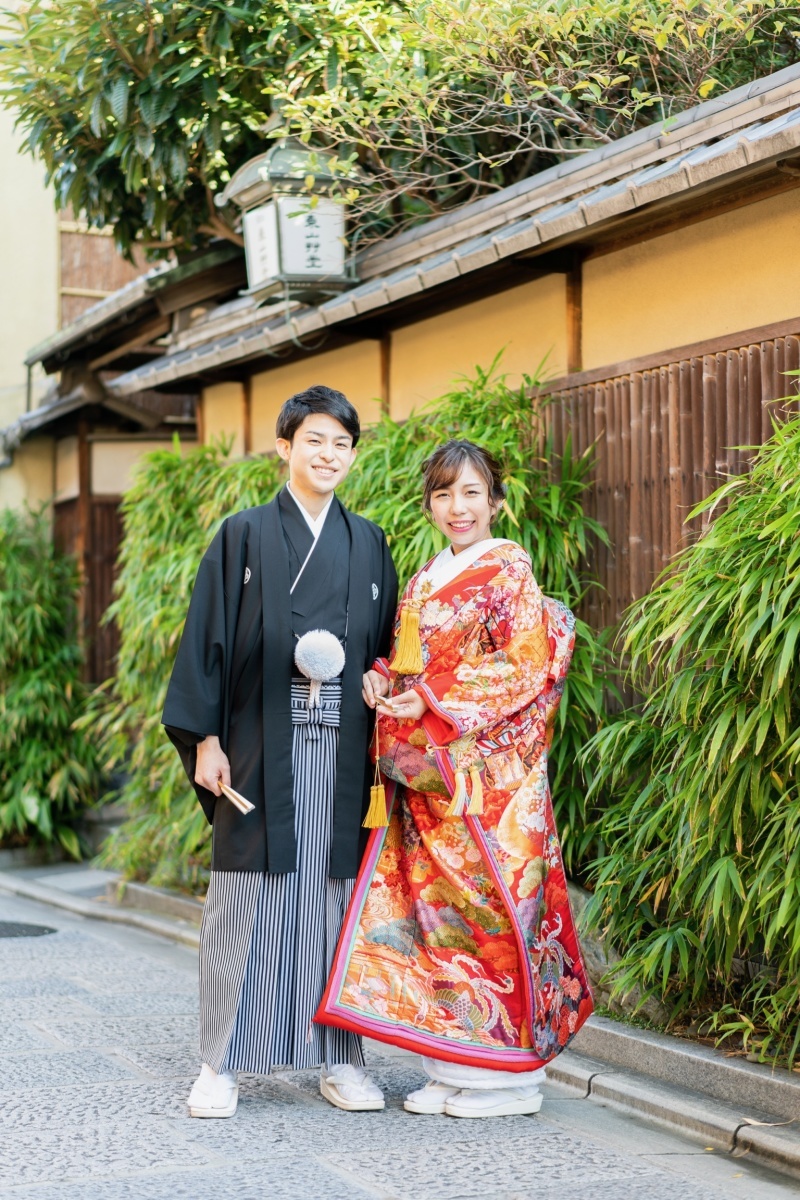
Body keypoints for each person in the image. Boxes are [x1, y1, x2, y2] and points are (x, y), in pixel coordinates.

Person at [316, 439, 593, 1118]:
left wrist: (431, 698)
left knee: (490, 915)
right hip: (426, 779)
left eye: (471, 492)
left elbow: (523, 664)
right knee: (435, 919)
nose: (457, 507)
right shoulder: (422, 579)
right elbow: (404, 659)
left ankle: (512, 1079)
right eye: (443, 494)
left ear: (495, 499)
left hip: (488, 783)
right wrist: (384, 682)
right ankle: (457, 1064)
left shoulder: (509, 571)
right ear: (430, 504)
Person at [162, 384, 398, 1118]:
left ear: (352, 456)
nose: (328, 455)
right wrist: (205, 740)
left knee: (333, 902)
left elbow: (390, 649)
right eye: (315, 440)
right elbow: (207, 639)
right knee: (244, 901)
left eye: (342, 444)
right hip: (259, 745)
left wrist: (382, 681)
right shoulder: (242, 536)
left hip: (344, 750)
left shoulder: (370, 543)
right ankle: (220, 1062)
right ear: (284, 446)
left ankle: (339, 1058)